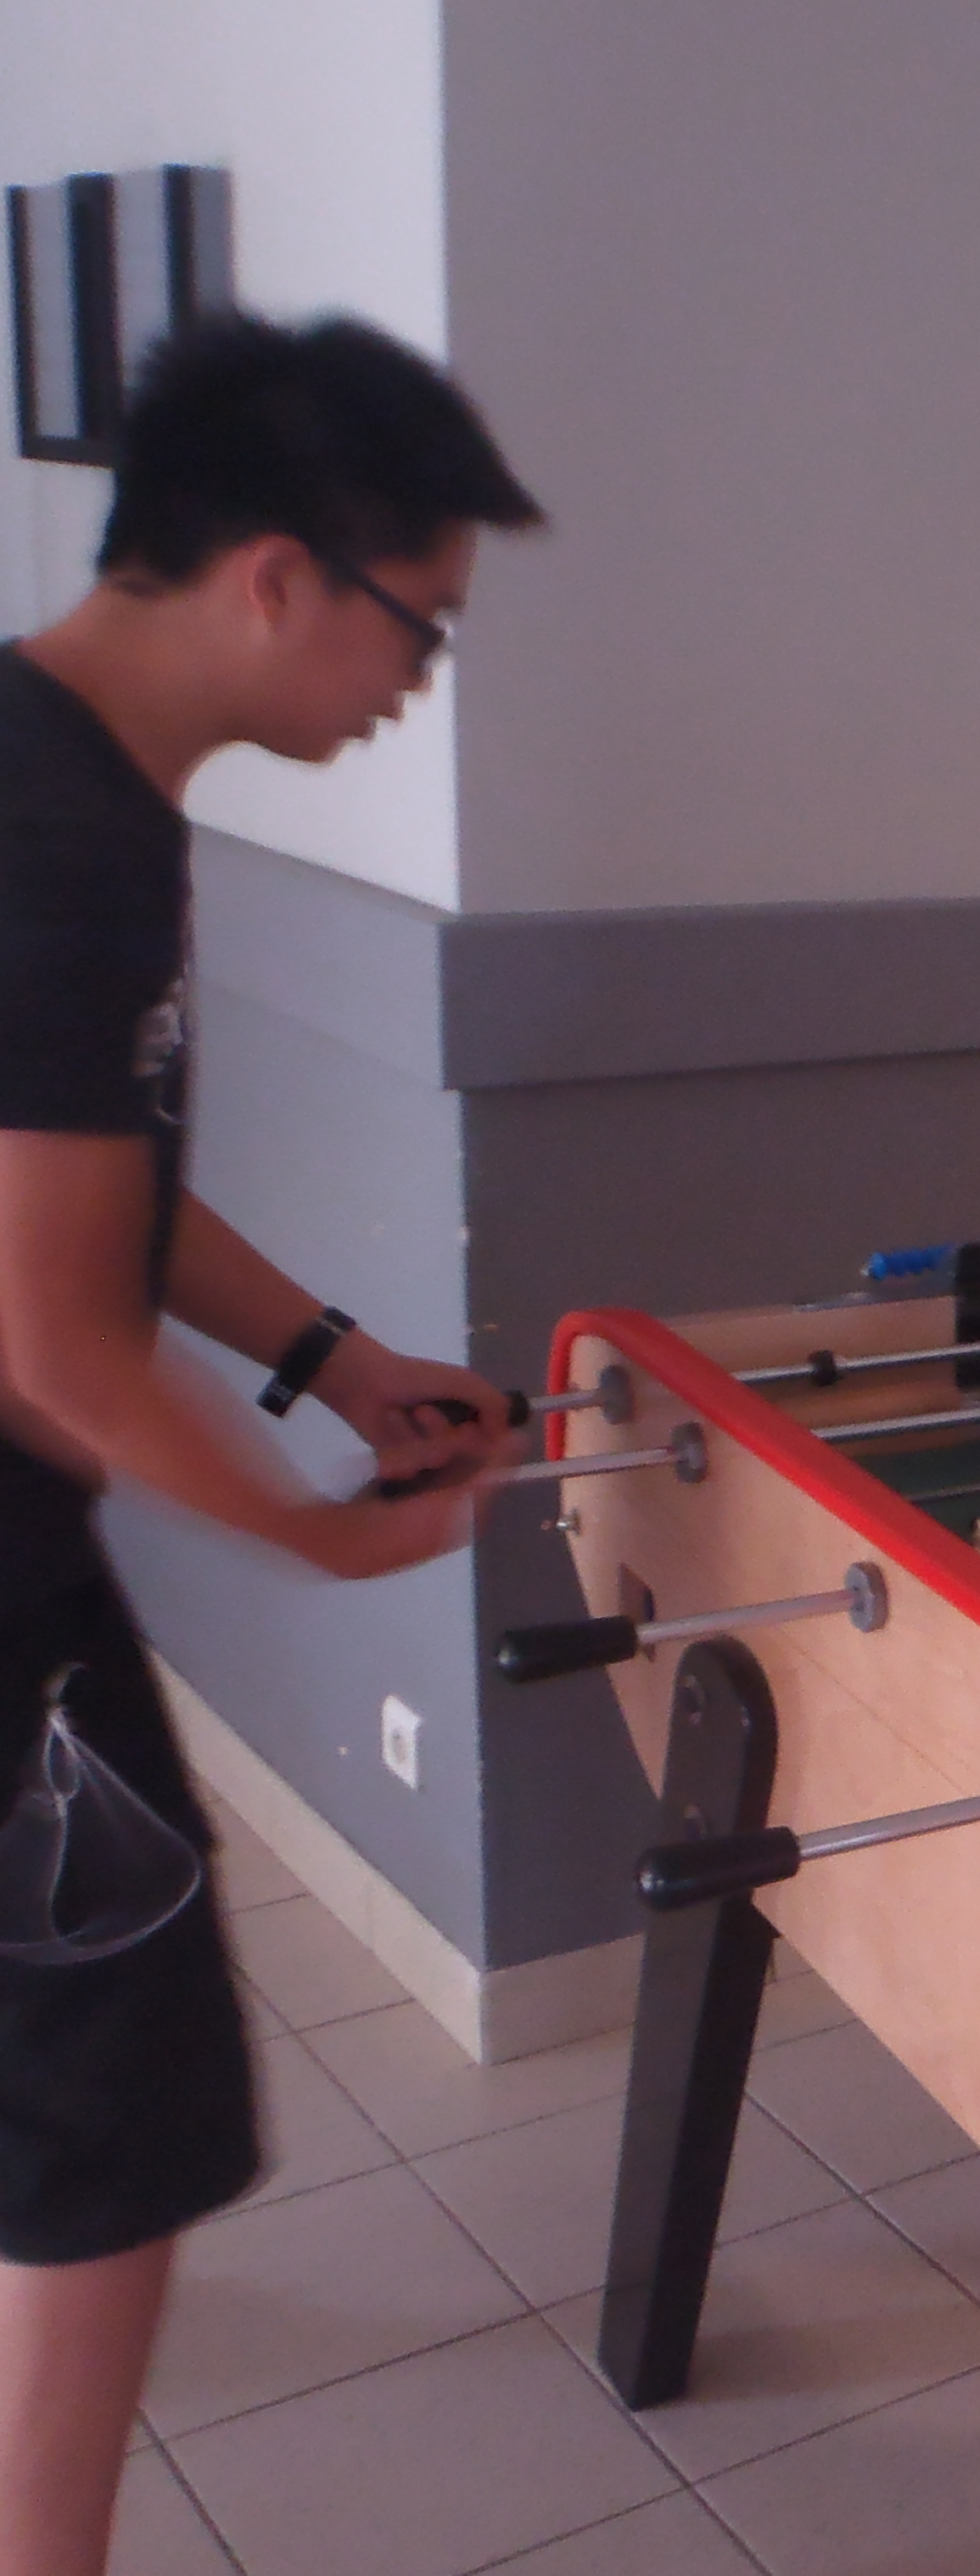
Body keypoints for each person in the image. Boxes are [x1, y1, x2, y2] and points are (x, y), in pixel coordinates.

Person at [0, 312, 540, 2576]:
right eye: (422, 623)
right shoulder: (58, 829)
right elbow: (53, 1332)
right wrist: (328, 1546)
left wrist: (330, 1354)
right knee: (113, 2122)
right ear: (278, 577)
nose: (421, 678)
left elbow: (88, 1184)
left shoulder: (66, 771)